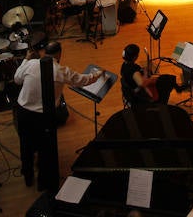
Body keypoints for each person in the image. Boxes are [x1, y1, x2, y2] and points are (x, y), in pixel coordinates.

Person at [13, 41, 105, 190]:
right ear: (59, 54)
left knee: (26, 144)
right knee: (45, 149)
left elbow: (17, 79)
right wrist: (97, 74)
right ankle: (44, 183)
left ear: (44, 52)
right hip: (43, 117)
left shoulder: (31, 64)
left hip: (23, 112)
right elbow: (83, 80)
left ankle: (28, 175)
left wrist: (26, 59)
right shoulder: (61, 70)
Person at [120, 43, 179, 109]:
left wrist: (144, 71)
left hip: (132, 92)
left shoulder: (124, 65)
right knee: (168, 80)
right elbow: (142, 83)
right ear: (135, 57)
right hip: (139, 97)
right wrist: (148, 75)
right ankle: (162, 106)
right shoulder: (133, 71)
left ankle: (177, 88)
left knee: (165, 78)